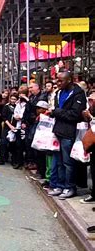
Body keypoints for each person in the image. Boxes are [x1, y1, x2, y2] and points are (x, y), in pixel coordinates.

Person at [47, 71, 87, 199]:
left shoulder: (78, 94)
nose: (57, 83)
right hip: (58, 130)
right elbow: (58, 112)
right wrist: (56, 112)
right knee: (58, 162)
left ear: (69, 80)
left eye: (60, 81)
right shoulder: (59, 93)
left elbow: (75, 114)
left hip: (69, 132)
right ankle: (60, 185)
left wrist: (57, 112)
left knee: (68, 162)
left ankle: (70, 187)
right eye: (57, 80)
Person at [0, 93, 18, 165]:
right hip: (7, 127)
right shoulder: (6, 106)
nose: (13, 100)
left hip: (16, 127)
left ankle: (14, 160)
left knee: (14, 144)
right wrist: (10, 126)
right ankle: (1, 159)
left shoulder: (18, 107)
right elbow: (4, 117)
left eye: (14, 99)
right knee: (3, 143)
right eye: (12, 99)